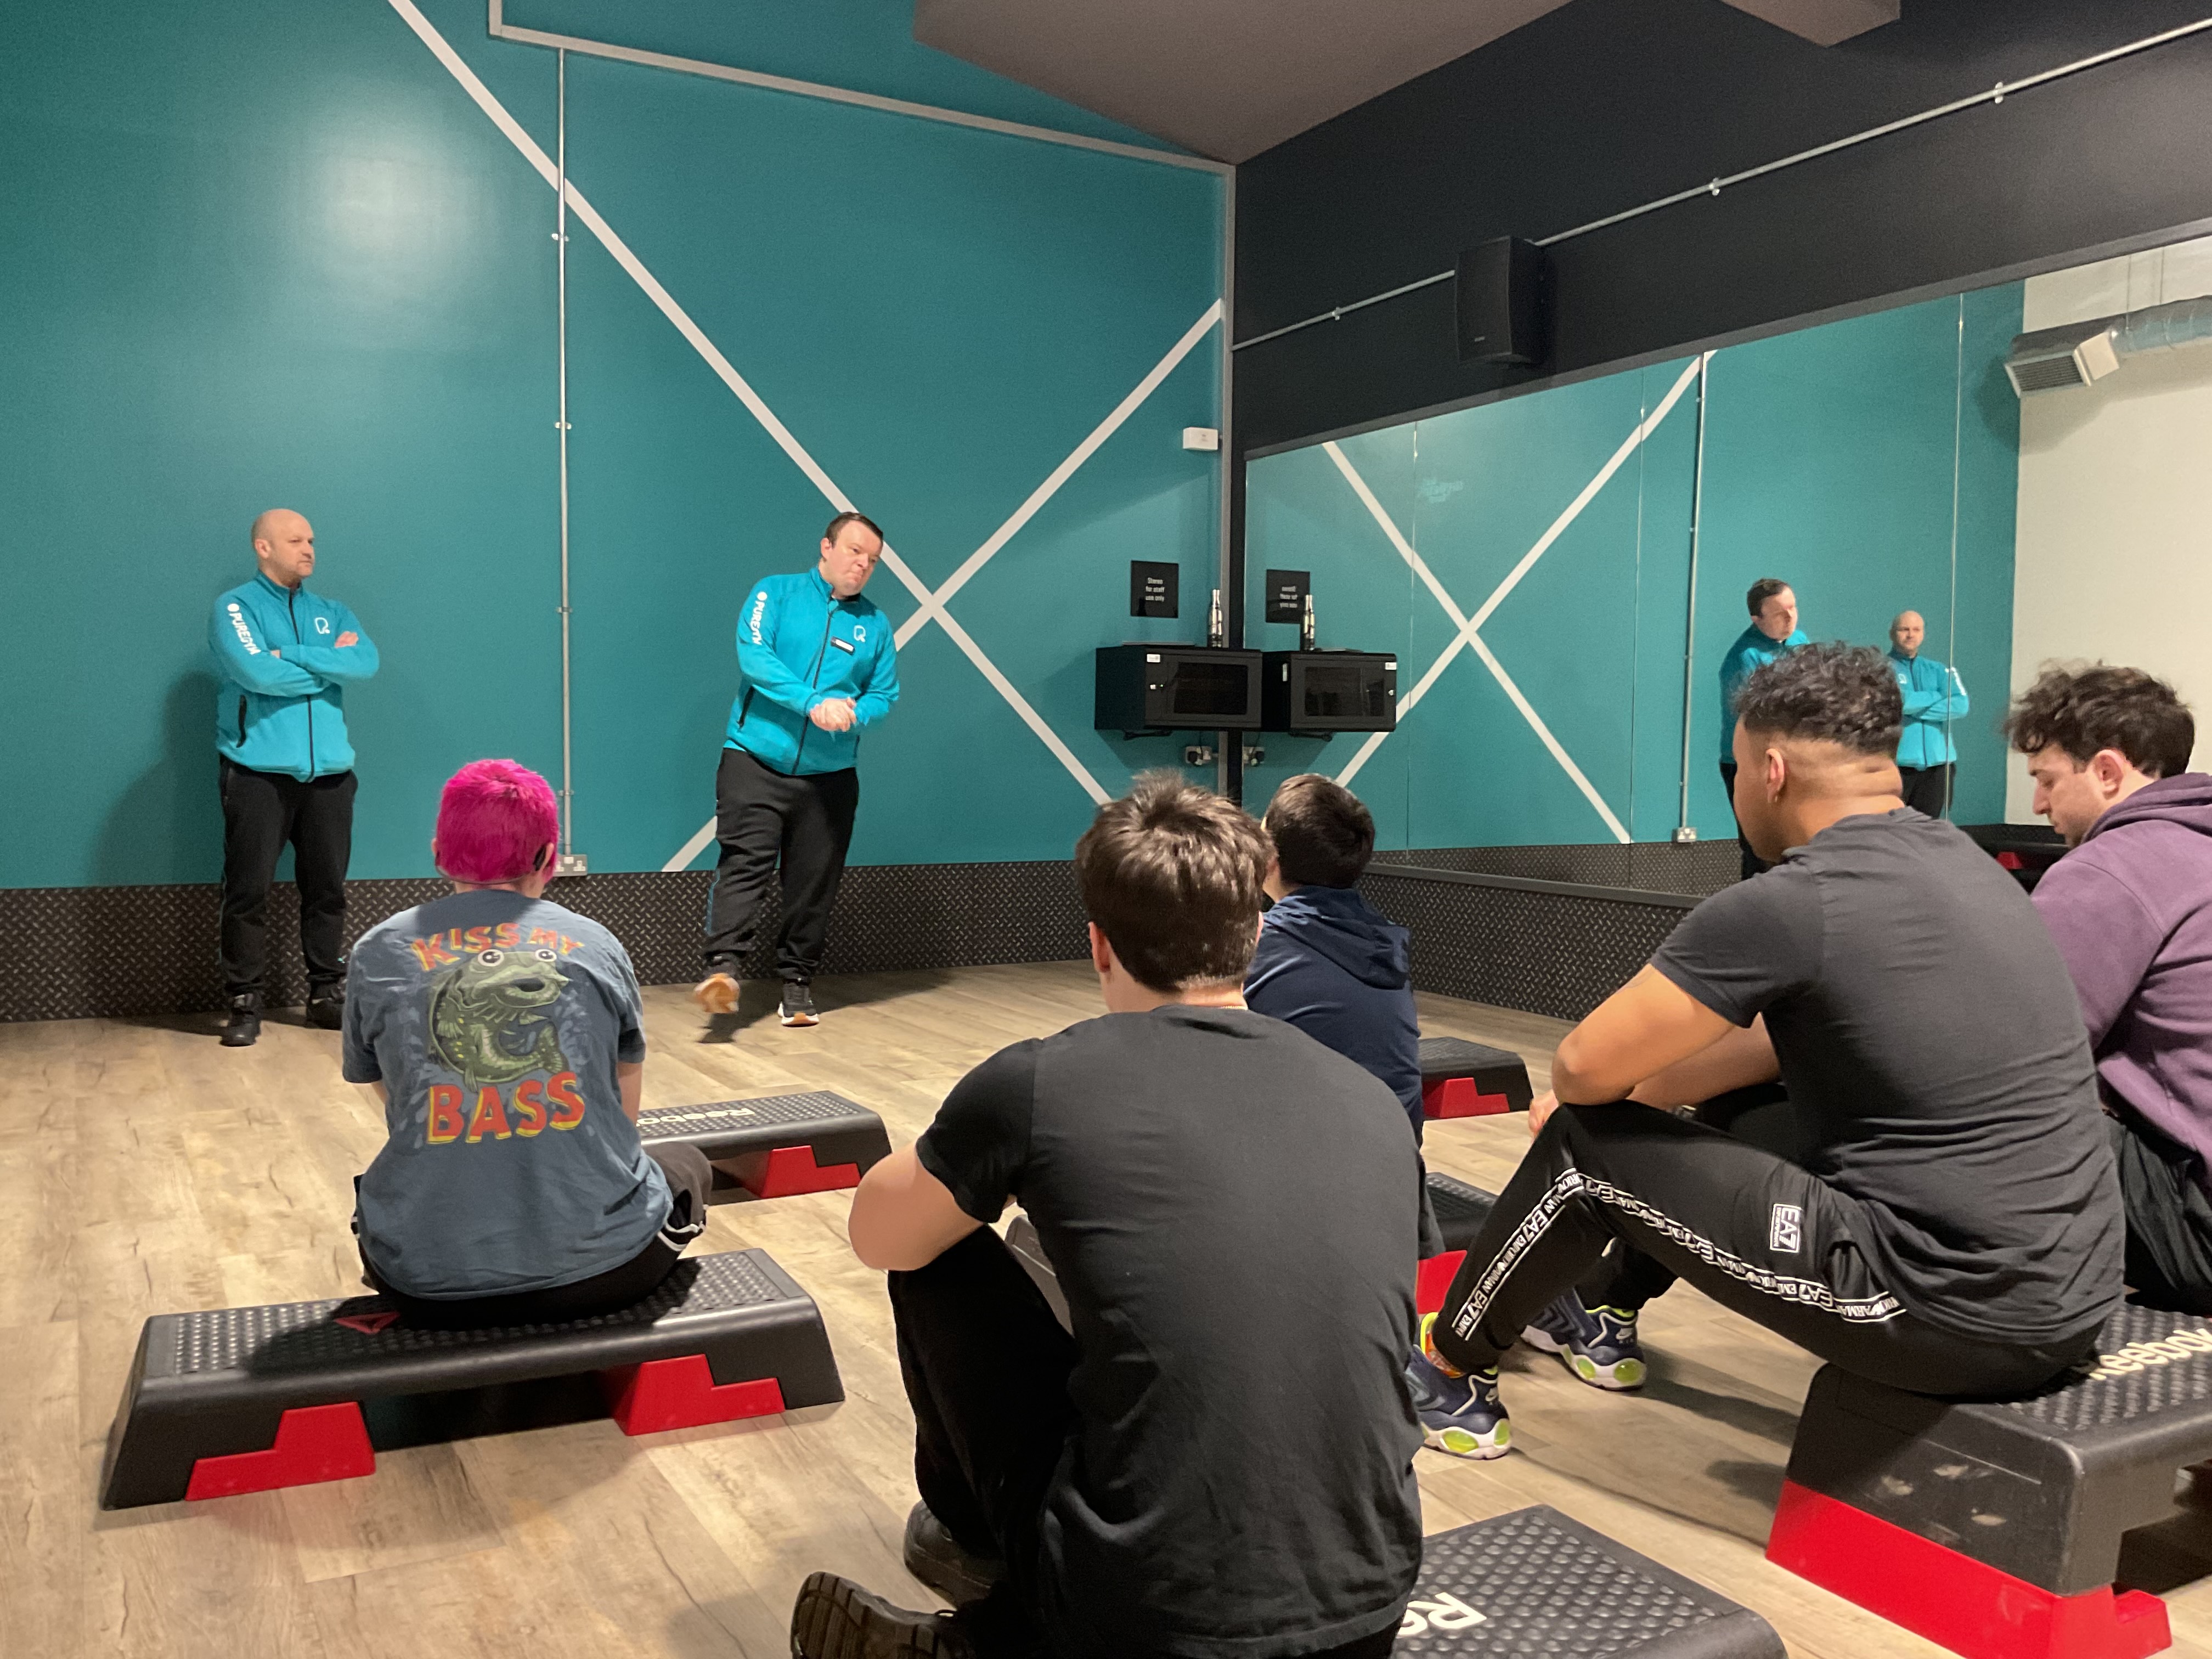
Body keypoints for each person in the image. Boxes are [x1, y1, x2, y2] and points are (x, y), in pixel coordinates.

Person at [1406, 644, 2122, 1459]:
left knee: (1581, 1149)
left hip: (1944, 1314)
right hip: (2072, 1299)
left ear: (1772, 771)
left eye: (1736, 770)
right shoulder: (1969, 865)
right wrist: (1657, 1093)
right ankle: (1604, 1309)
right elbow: (1765, 1052)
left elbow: (1579, 1070)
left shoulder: (1790, 902)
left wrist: (1612, 1104)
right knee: (1732, 1107)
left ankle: (1448, 1366)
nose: (1737, 788)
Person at [789, 772, 1421, 1659]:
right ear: (1253, 926)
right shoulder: (1370, 1103)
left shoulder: (1038, 1080)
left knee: (943, 1257)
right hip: (1373, 1610)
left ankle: (991, 1590)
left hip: (1147, 1624)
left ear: (1098, 944)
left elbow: (877, 1233)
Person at [341, 760, 710, 1329]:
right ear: (548, 858)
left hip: (423, 1284)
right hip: (607, 1274)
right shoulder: (597, 944)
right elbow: (623, 1103)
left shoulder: (376, 952)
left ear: (440, 852)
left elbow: (393, 1094)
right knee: (686, 1161)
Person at [2009, 663, 2212, 1313]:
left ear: (2105, 771)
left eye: (2045, 780)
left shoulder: (2108, 867)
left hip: (2200, 1232)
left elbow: (2017, 1058)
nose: (2039, 805)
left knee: (1973, 1110)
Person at [694, 511, 900, 1030]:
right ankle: (724, 972)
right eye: (855, 551)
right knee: (745, 864)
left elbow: (884, 693)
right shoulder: (776, 594)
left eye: (872, 560)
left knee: (814, 883)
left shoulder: (874, 624)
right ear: (827, 547)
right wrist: (811, 702)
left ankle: (798, 985)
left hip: (830, 777)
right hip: (754, 760)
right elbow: (755, 655)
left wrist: (856, 712)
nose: (863, 564)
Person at [1244, 774, 1443, 1259]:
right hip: (1399, 1179)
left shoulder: (1264, 949)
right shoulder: (1380, 943)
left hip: (1308, 1190)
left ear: (1269, 860)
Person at [210, 509, 379, 1047]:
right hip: (257, 773)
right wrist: (326, 666)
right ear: (264, 547)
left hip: (330, 775)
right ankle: (244, 1004)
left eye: (311, 539)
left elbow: (366, 664)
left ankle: (326, 995)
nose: (308, 549)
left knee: (327, 891)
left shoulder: (334, 611)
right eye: (295, 540)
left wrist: (298, 654)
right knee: (247, 891)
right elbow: (255, 671)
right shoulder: (235, 607)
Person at [1716, 578, 1807, 880]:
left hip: (1793, 759)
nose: (1791, 617)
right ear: (1757, 619)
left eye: (1793, 607)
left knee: (1796, 842)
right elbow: (1759, 717)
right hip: (1751, 763)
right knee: (1761, 847)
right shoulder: (1745, 658)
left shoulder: (1801, 643)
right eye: (1781, 613)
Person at [1888, 610, 1970, 819]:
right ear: (1892, 634)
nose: (1910, 635)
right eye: (1904, 629)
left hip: (1938, 767)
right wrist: (1936, 695)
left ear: (1923, 634)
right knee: (1894, 830)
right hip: (1898, 766)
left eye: (1916, 629)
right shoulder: (1881, 669)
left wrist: (1915, 707)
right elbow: (1899, 703)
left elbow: (1961, 705)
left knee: (1928, 831)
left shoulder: (1939, 670)